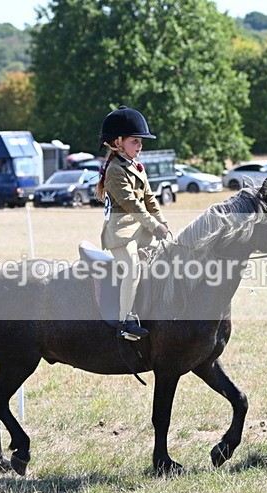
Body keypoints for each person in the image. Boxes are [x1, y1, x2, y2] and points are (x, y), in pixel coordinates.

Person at [97, 106, 170, 341]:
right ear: (118, 142)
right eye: (135, 141)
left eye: (140, 142)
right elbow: (133, 206)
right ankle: (125, 322)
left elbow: (149, 199)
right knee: (132, 267)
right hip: (120, 233)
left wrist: (163, 223)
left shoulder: (137, 166)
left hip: (141, 231)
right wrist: (153, 226)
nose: (140, 146)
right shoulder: (115, 171)